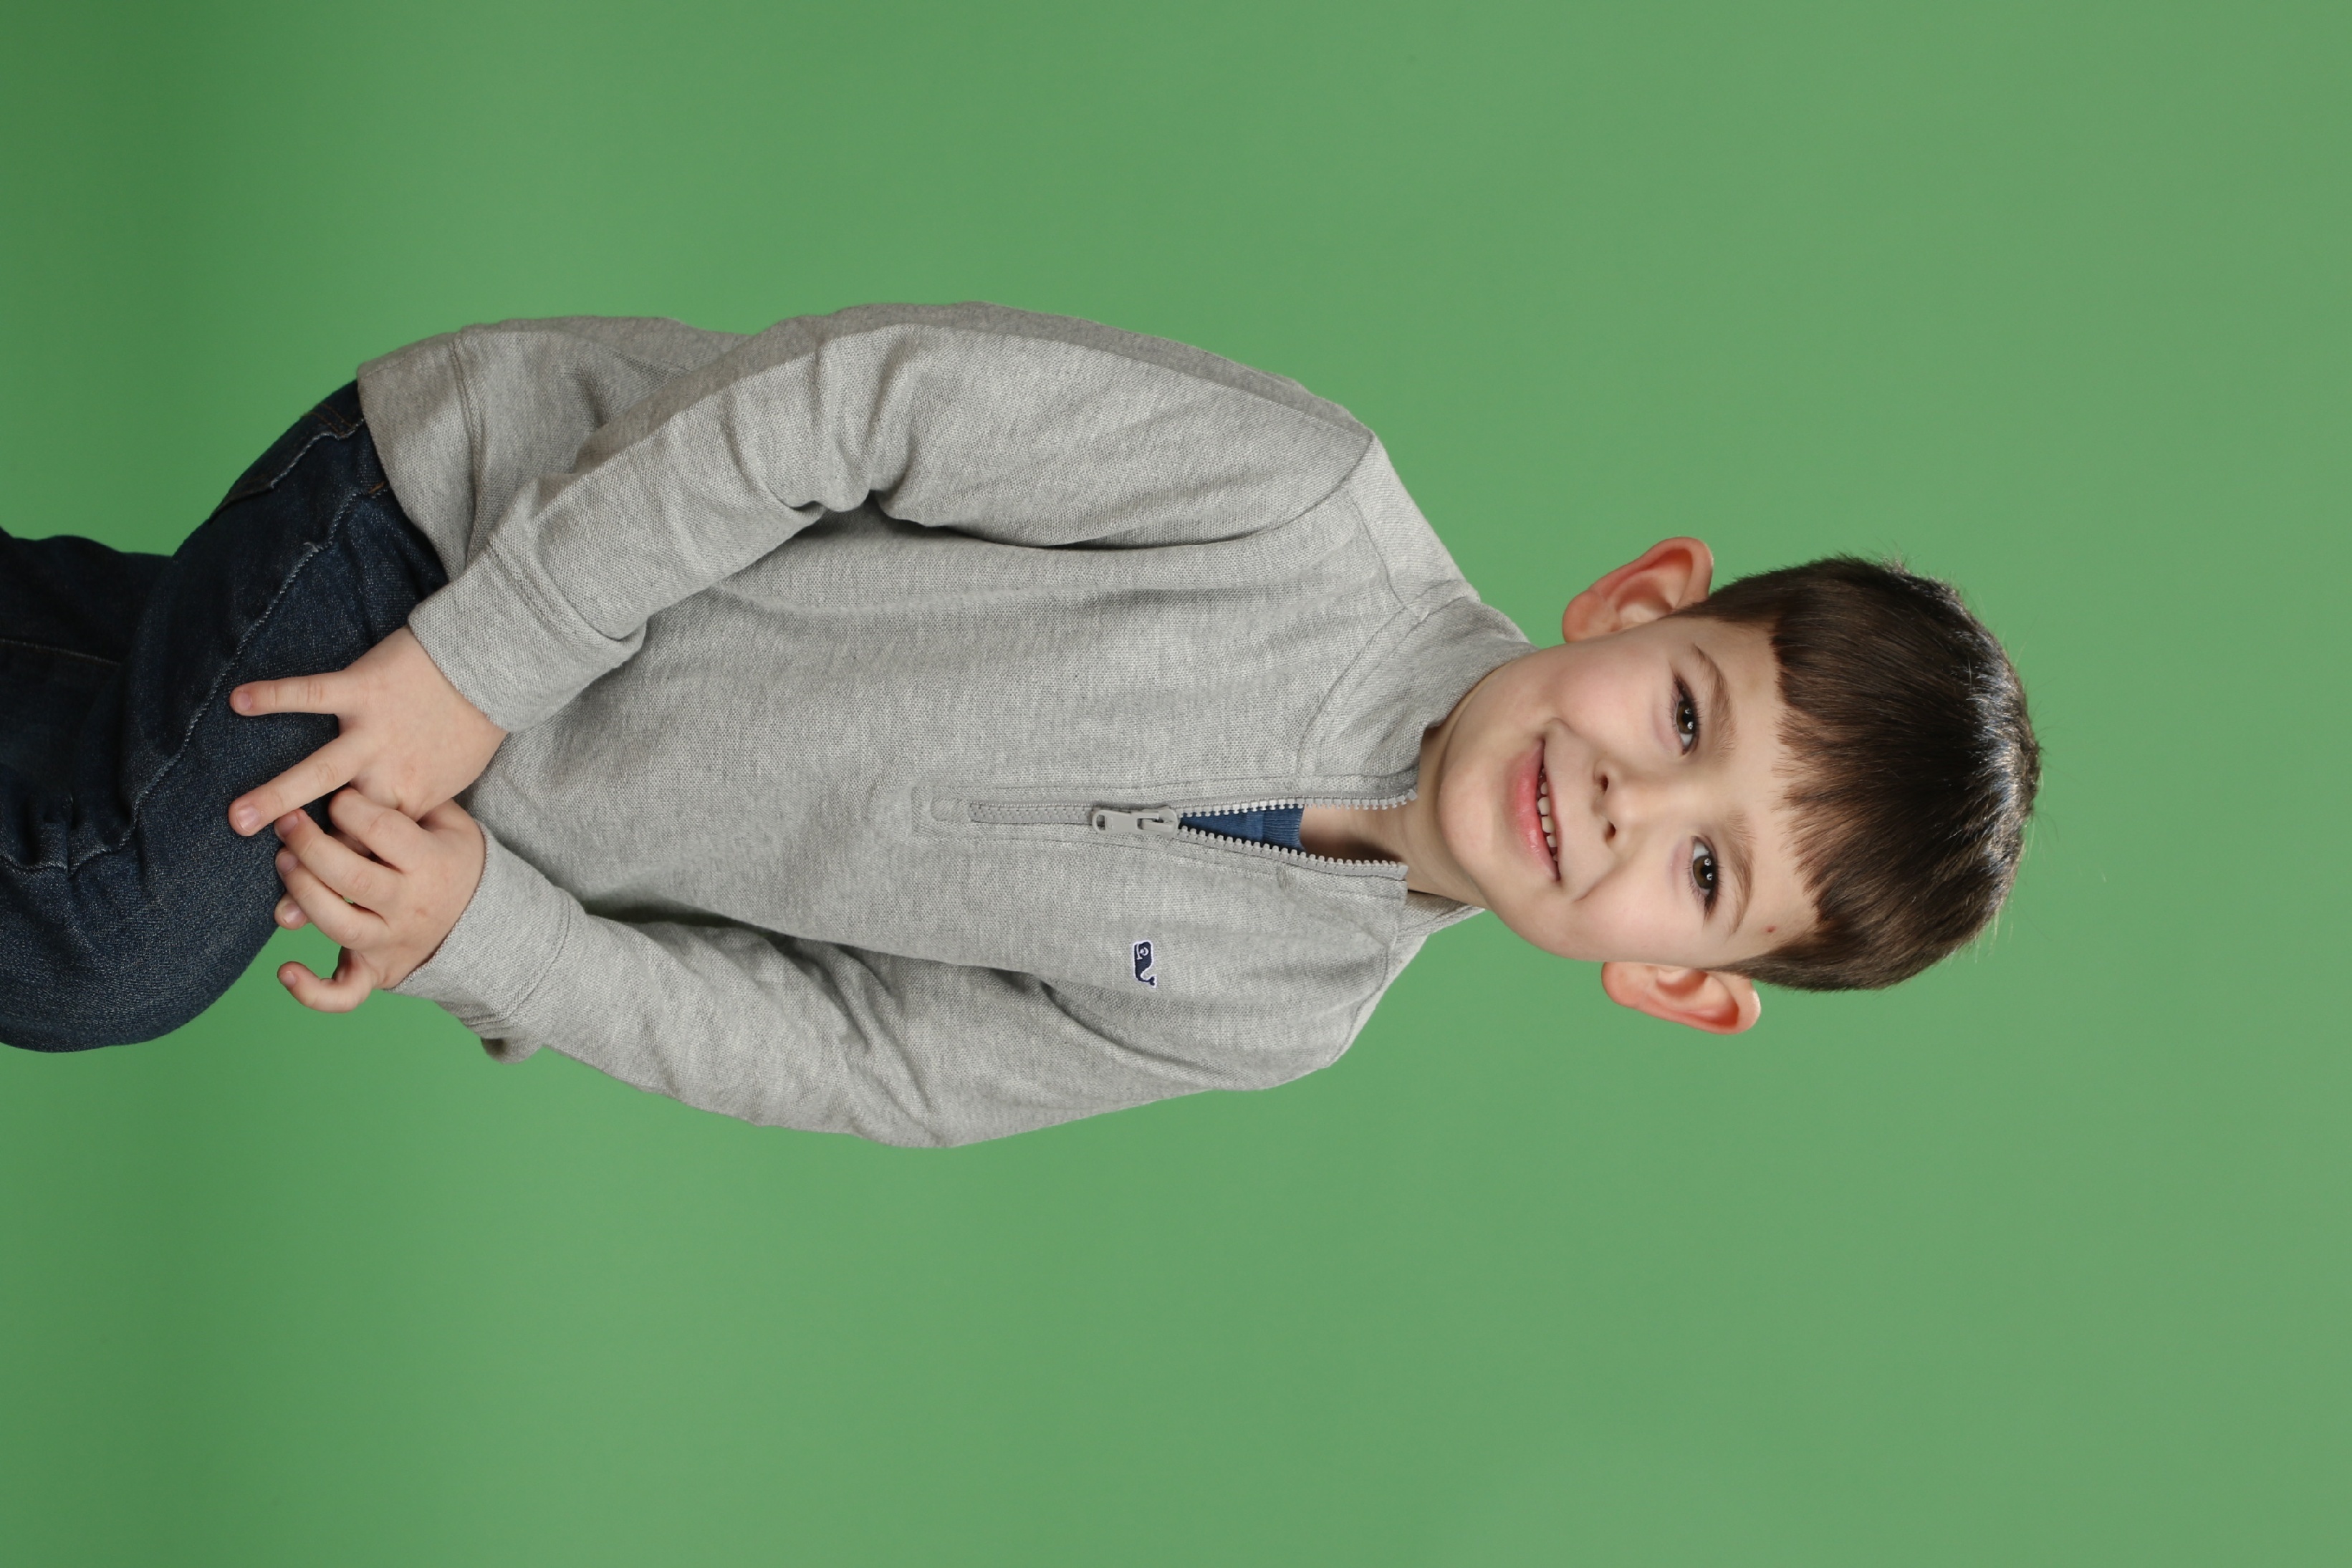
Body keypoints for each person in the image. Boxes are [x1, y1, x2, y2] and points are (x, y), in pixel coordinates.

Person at [0, 304, 2038, 1145]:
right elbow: (852, 402)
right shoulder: (1298, 506)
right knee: (110, 932)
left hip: (473, 823)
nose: (1624, 799)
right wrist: (482, 659)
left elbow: (864, 1056)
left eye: (1705, 867)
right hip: (457, 532)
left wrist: (498, 940)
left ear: (1680, 981)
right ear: (1643, 602)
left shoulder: (1274, 1014)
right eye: (1681, 712)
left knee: (80, 721)